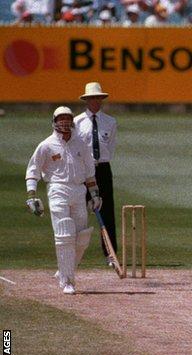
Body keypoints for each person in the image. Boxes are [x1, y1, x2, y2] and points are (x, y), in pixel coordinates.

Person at [25, 106, 101, 295]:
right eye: (61, 119)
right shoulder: (47, 145)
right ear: (54, 121)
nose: (65, 122)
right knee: (65, 234)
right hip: (57, 189)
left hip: (79, 189)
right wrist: (32, 195)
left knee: (82, 237)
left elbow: (90, 172)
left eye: (68, 119)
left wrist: (95, 195)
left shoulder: (81, 144)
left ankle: (64, 269)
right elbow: (33, 170)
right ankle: (68, 281)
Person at [74, 82, 118, 267]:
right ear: (86, 100)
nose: (95, 101)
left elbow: (111, 147)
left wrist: (100, 164)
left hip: (102, 169)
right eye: (92, 98)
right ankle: (73, 254)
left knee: (107, 212)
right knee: (78, 211)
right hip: (84, 169)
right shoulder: (76, 122)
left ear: (101, 99)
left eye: (98, 98)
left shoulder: (110, 121)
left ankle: (110, 254)